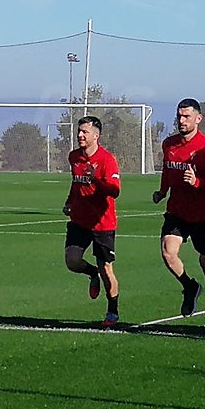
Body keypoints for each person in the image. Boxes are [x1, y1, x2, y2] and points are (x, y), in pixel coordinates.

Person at [153, 98, 205, 334]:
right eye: (179, 116)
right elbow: (167, 171)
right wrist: (162, 192)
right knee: (167, 251)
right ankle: (189, 286)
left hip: (204, 215)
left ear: (198, 118)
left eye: (187, 116)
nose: (182, 121)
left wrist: (197, 183)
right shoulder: (170, 144)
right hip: (177, 212)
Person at [63, 115, 122, 327]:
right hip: (79, 220)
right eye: (79, 131)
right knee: (72, 260)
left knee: (107, 269)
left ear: (96, 136)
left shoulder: (107, 160)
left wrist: (96, 178)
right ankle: (91, 273)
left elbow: (115, 191)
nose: (80, 135)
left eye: (84, 132)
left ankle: (113, 311)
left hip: (102, 223)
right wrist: (70, 202)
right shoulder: (74, 157)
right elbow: (76, 184)